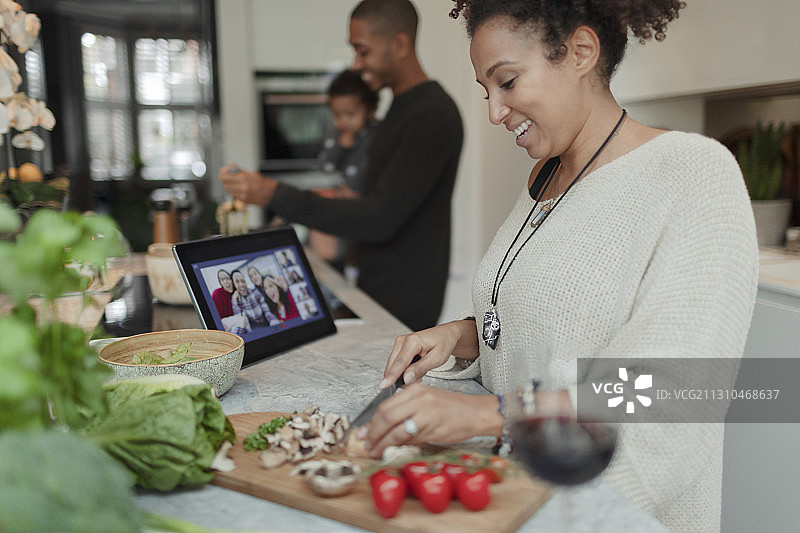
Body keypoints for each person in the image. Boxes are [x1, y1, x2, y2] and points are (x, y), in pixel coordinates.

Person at [357, 1, 759, 531]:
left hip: (610, 513)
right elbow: (563, 324)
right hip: (518, 494)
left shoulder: (693, 174)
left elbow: (675, 392)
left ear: (581, 53)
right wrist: (464, 336)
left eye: (507, 81)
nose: (495, 112)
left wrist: (489, 415)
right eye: (486, 91)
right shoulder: (544, 179)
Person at [218, 0, 464, 332]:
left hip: (404, 300)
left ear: (400, 44)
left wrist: (274, 193)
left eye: (363, 51)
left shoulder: (430, 116)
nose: (357, 63)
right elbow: (381, 199)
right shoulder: (402, 109)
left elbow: (379, 218)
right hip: (380, 288)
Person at [309, 68, 380, 276]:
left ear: (370, 109)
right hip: (340, 202)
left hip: (364, 204)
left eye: (350, 114)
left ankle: (351, 269)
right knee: (329, 244)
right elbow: (325, 166)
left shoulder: (378, 134)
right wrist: (341, 146)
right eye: (338, 115)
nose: (343, 121)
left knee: (355, 248)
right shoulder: (336, 136)